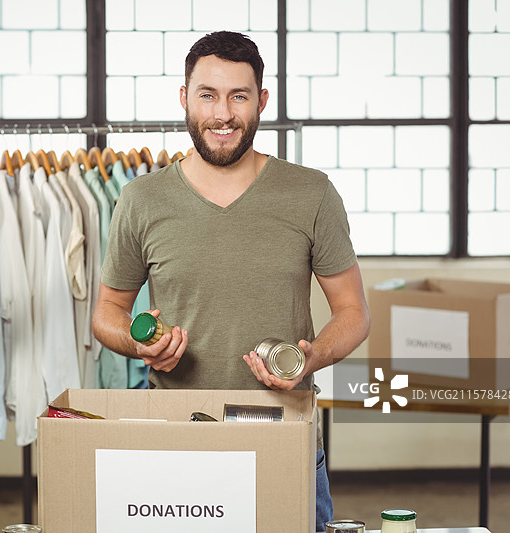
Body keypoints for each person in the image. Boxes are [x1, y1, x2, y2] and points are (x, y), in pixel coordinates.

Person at [91, 30, 371, 531]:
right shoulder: (141, 200)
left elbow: (354, 313)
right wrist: (140, 346)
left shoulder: (311, 193)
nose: (222, 114)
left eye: (238, 96)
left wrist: (308, 358)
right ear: (185, 98)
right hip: (176, 442)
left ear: (262, 100)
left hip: (284, 437)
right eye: (208, 95)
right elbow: (107, 313)